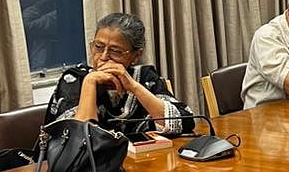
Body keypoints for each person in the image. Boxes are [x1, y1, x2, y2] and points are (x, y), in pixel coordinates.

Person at [45, 12, 194, 136]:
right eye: (98, 47)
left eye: (115, 51)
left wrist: (134, 87)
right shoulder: (74, 79)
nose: (103, 57)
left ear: (136, 56)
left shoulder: (145, 77)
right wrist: (90, 82)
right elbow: (76, 141)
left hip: (143, 163)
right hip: (86, 169)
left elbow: (185, 122)